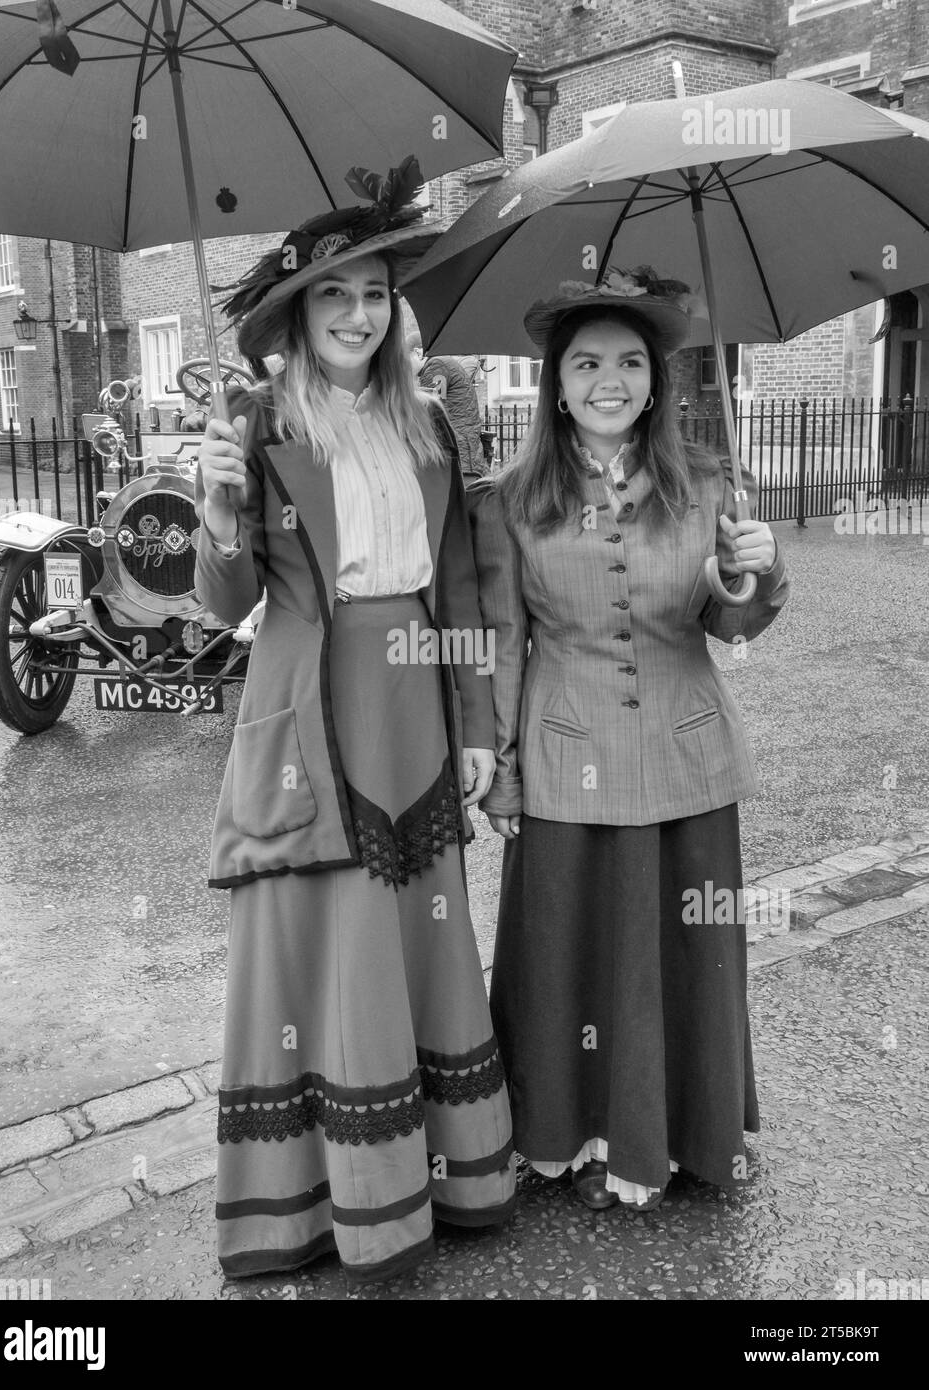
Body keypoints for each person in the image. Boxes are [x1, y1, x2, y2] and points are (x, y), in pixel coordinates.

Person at [194, 158, 515, 1284]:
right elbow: (225, 604)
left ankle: (443, 1181)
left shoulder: (429, 424)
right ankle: (312, 1212)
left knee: (418, 938)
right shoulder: (256, 426)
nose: (358, 313)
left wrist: (479, 727)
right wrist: (222, 508)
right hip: (306, 715)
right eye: (334, 295)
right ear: (294, 315)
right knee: (320, 953)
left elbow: (464, 589)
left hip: (418, 703)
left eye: (375, 292)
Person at [468, 270, 790, 1213]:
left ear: (655, 380)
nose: (607, 379)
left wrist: (749, 576)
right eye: (585, 363)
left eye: (628, 362)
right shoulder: (511, 498)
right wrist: (503, 771)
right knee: (565, 952)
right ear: (555, 384)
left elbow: (730, 627)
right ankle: (571, 1136)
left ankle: (688, 1134)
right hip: (567, 757)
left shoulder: (707, 485)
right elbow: (503, 642)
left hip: (688, 761)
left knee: (685, 957)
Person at [408, 333, 486, 477]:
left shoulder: (437, 366)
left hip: (459, 451)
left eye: (405, 360)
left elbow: (431, 411)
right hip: (463, 448)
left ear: (418, 352)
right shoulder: (440, 364)